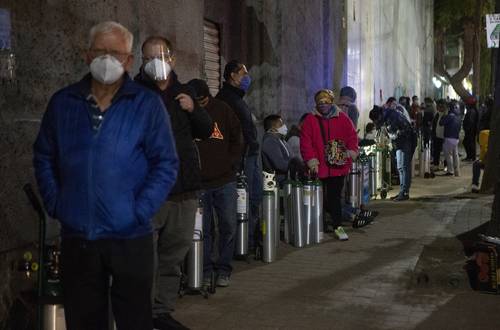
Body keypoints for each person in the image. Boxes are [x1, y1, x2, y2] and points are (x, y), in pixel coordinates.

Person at [33, 21, 179, 330]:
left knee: (134, 319)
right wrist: (57, 204)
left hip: (131, 236)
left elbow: (166, 164)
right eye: (100, 51)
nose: (107, 58)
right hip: (78, 235)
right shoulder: (64, 103)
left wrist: (138, 211)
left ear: (128, 61)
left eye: (115, 52)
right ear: (86, 56)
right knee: (84, 319)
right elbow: (44, 155)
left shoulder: (146, 104)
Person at [135, 36, 213, 330]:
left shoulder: (185, 91)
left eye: (162, 55)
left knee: (173, 256)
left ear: (173, 58)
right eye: (149, 57)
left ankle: (161, 312)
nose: (156, 62)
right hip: (149, 192)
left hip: (185, 189)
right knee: (144, 259)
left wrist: (194, 108)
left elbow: (206, 131)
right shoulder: (132, 94)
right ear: (142, 62)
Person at [187, 78, 243, 288]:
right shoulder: (186, 111)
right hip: (200, 183)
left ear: (207, 97)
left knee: (228, 224)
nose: (200, 105)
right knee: (204, 230)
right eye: (196, 102)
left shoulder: (223, 109)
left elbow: (238, 137)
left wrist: (231, 163)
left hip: (225, 180)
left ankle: (224, 268)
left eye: (202, 101)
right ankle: (206, 270)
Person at [216, 60, 262, 253]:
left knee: (254, 198)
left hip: (250, 155)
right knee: (243, 201)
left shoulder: (237, 98)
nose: (246, 78)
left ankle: (248, 240)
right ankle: (241, 244)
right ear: (232, 76)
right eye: (243, 74)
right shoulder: (226, 99)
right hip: (243, 159)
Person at [300, 89, 358, 240]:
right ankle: (320, 225)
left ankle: (337, 226)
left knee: (334, 197)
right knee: (319, 198)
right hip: (319, 167)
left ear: (331, 102)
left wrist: (351, 152)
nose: (323, 105)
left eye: (326, 102)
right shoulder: (310, 120)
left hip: (338, 167)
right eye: (320, 103)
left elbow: (352, 137)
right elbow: (305, 142)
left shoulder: (343, 118)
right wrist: (311, 160)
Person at [370, 103, 416, 201]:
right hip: (400, 142)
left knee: (404, 167)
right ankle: (402, 191)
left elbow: (402, 131)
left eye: (376, 120)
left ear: (379, 116)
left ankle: (404, 193)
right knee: (400, 167)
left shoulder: (392, 116)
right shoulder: (387, 116)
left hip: (406, 141)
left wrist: (391, 137)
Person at [261, 114, 292, 186]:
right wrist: (294, 166)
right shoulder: (270, 141)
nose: (284, 126)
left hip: (286, 179)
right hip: (278, 182)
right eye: (280, 125)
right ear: (272, 129)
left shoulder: (280, 140)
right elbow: (280, 165)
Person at [439, 100, 461, 177]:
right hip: (456, 138)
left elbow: (441, 123)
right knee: (455, 155)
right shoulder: (458, 117)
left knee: (448, 155)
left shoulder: (449, 116)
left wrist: (444, 115)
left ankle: (450, 171)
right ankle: (457, 171)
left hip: (449, 138)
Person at [471, 128, 490, 193]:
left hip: (490, 160)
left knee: (476, 164)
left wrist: (483, 159)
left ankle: (475, 185)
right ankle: (475, 185)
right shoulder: (486, 134)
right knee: (477, 164)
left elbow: (484, 149)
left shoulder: (484, 134)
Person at [432, 99, 447, 171]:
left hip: (445, 136)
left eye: (441, 106)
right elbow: (434, 125)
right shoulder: (437, 115)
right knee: (436, 151)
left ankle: (446, 165)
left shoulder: (447, 115)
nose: (439, 108)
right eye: (439, 106)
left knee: (445, 152)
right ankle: (436, 165)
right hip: (437, 136)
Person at [462, 97, 479, 161]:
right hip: (471, 130)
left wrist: (467, 129)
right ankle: (470, 156)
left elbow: (471, 122)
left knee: (468, 143)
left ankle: (470, 156)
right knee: (469, 143)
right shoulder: (473, 110)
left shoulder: (472, 111)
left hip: (470, 131)